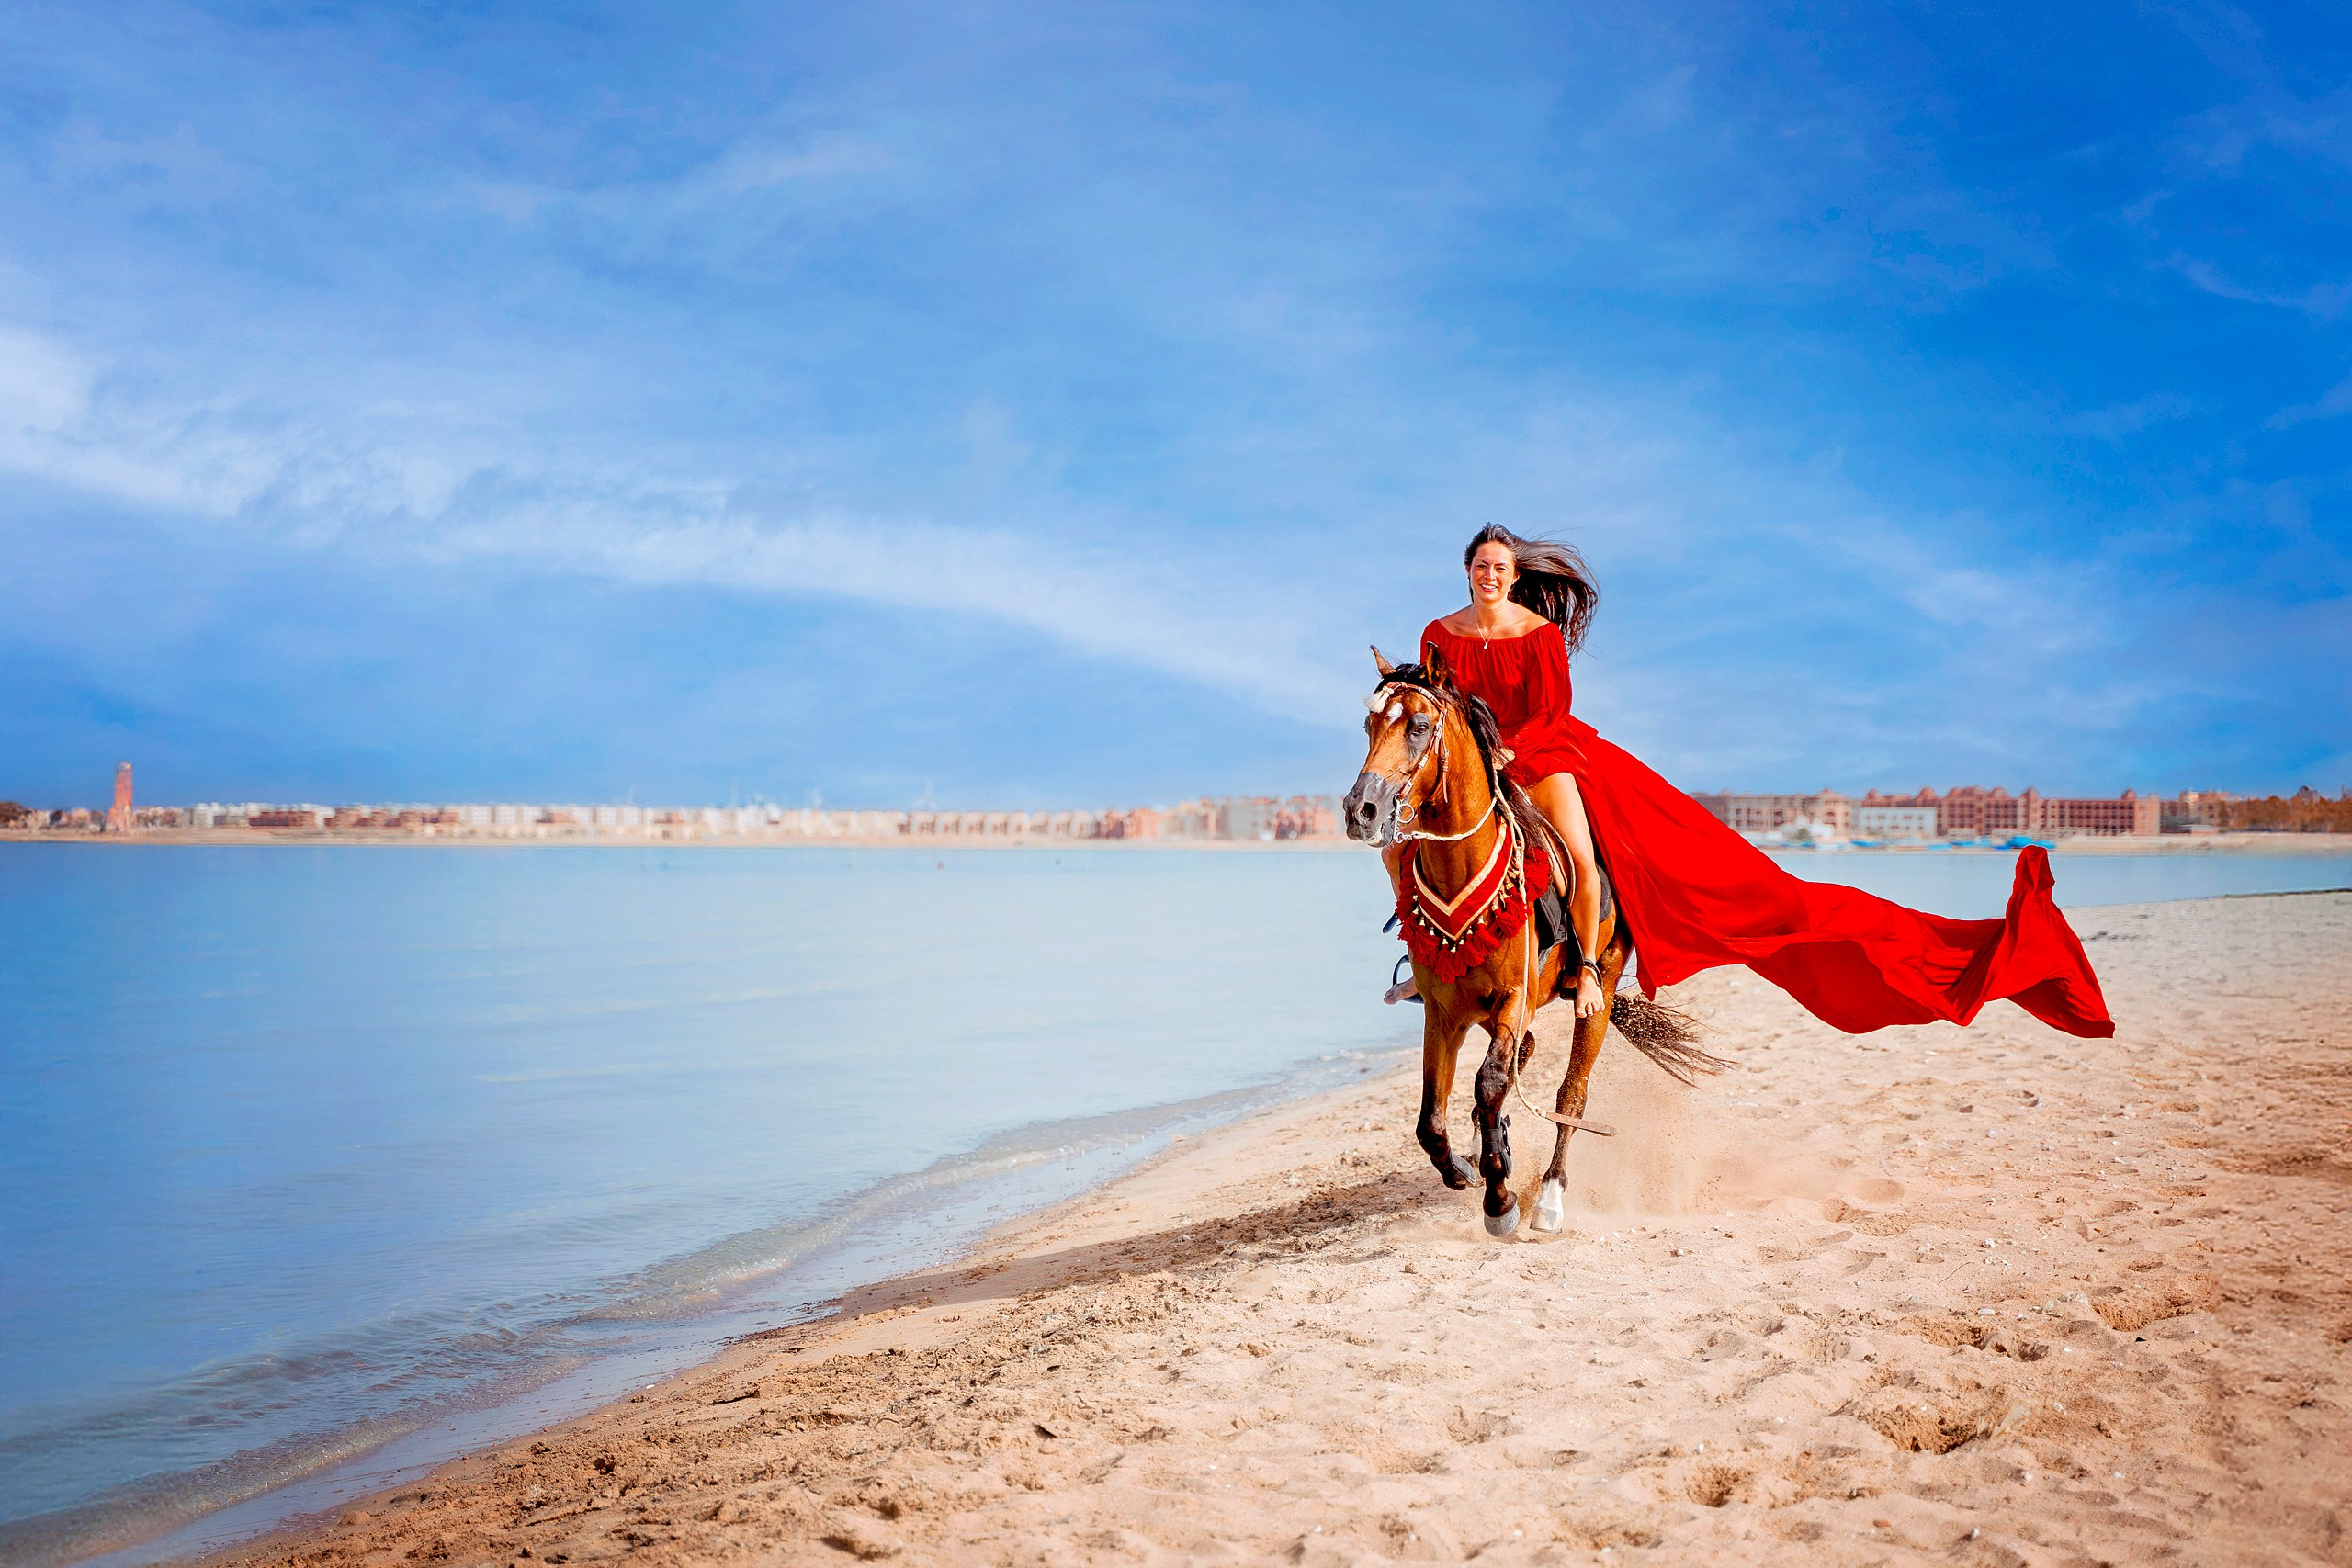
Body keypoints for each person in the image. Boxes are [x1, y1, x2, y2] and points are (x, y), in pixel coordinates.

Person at [1381, 525, 2113, 1041]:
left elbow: (1553, 710)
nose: (1489, 574)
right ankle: (1422, 962)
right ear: (1467, 570)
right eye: (1479, 565)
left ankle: (1585, 971)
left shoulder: (1536, 635)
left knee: (1573, 846)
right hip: (1467, 766)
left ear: (1513, 574)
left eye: (1499, 566)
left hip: (1540, 756)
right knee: (1401, 843)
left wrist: (1509, 755)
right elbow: (1434, 706)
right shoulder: (1438, 633)